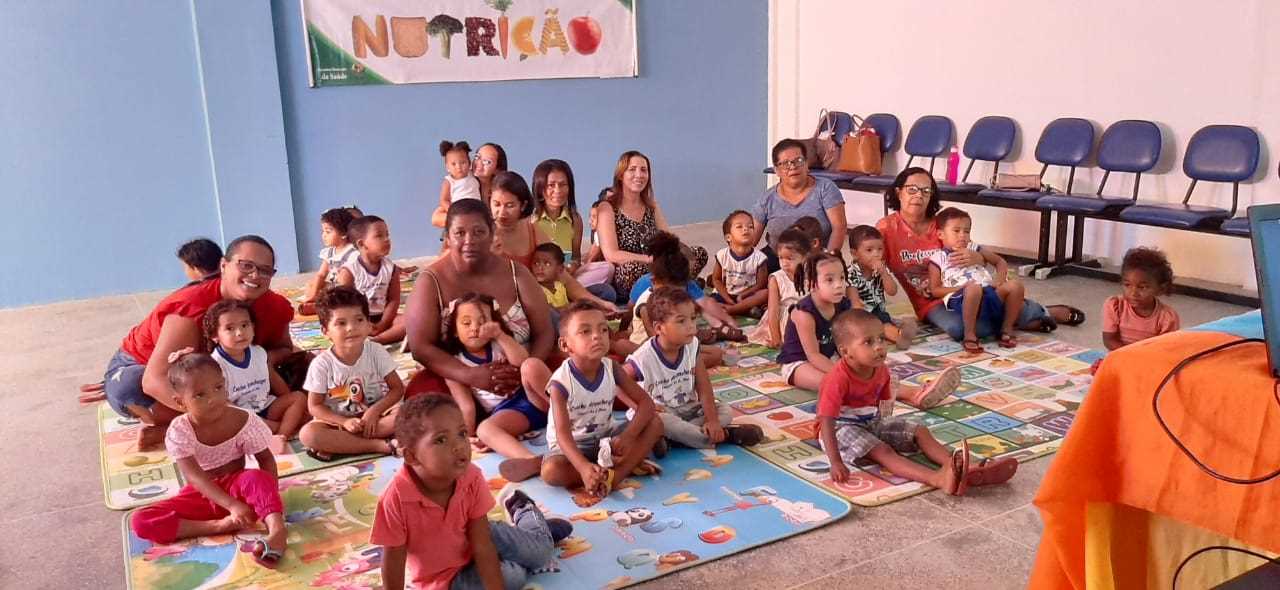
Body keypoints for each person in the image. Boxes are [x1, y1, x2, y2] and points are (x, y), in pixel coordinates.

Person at [104, 235, 295, 450]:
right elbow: (153, 380)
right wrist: (228, 413)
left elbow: (285, 348)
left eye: (265, 270)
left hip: (223, 379)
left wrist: (262, 361)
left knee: (305, 374)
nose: (254, 275)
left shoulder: (275, 306)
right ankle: (217, 424)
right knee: (129, 387)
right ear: (224, 265)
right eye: (246, 266)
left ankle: (177, 428)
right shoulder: (191, 307)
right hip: (146, 368)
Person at [373, 395, 571, 590]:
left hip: (480, 534)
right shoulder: (396, 499)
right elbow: (393, 562)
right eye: (441, 440)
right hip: (446, 578)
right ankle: (524, 541)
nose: (459, 446)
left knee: (542, 554)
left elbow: (482, 545)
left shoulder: (470, 477)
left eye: (461, 433)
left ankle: (523, 511)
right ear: (411, 455)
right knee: (513, 577)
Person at [818, 310, 1020, 496]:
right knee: (883, 451)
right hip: (839, 428)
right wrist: (835, 461)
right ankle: (937, 478)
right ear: (845, 352)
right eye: (868, 342)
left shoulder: (881, 370)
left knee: (919, 431)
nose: (879, 346)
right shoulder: (837, 379)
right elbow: (825, 420)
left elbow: (884, 404)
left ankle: (961, 466)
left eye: (881, 338)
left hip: (871, 422)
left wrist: (889, 429)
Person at [876, 167, 1086, 342]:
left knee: (981, 313)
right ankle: (1026, 315)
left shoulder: (942, 224)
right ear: (898, 192)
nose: (919, 195)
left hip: (970, 292)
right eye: (912, 189)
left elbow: (976, 252)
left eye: (925, 190)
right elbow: (871, 262)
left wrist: (980, 258)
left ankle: (1038, 311)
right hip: (932, 302)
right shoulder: (886, 229)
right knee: (961, 330)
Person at [130, 352, 288, 568]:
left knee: (256, 477)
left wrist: (269, 501)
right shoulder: (180, 430)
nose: (213, 399)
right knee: (140, 521)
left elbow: (266, 461)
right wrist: (230, 506)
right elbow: (195, 477)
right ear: (180, 402)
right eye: (200, 395)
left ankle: (278, 531)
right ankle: (217, 526)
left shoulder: (244, 420)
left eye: (218, 388)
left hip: (238, 489)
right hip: (202, 496)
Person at [403, 199, 556, 402]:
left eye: (478, 232)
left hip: (523, 375)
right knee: (424, 402)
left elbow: (545, 331)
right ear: (447, 237)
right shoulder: (430, 282)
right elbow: (420, 347)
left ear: (492, 232)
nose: (469, 241)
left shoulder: (516, 273)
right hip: (459, 382)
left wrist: (528, 370)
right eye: (459, 233)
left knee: (583, 374)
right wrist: (470, 376)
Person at [530, 302, 665, 497]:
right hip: (573, 448)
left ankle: (615, 475)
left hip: (607, 439)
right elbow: (563, 436)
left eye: (603, 329)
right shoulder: (560, 383)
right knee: (551, 472)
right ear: (565, 344)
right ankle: (615, 467)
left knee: (655, 423)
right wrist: (583, 467)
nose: (597, 336)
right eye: (585, 331)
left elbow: (646, 404)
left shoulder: (612, 368)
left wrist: (628, 437)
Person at [624, 287, 764, 451]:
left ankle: (674, 438)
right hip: (661, 412)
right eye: (681, 321)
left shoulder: (692, 345)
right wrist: (639, 406)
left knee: (724, 410)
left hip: (688, 409)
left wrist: (712, 420)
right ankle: (726, 435)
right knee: (662, 422)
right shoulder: (645, 356)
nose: (691, 326)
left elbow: (703, 386)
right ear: (659, 328)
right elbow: (616, 381)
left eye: (692, 318)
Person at [299, 286, 405, 460]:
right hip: (337, 423)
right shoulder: (321, 364)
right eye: (341, 323)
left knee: (408, 414)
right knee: (308, 435)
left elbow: (397, 389)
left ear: (369, 323)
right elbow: (315, 406)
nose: (351, 328)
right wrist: (344, 422)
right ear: (325, 331)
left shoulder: (376, 351)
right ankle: (378, 445)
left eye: (359, 320)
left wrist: (374, 412)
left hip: (376, 419)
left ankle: (342, 445)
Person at [440, 292, 547, 461]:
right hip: (511, 413)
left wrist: (500, 335)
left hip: (538, 398)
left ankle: (572, 411)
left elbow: (522, 361)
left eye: (482, 322)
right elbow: (466, 405)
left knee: (531, 365)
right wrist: (467, 435)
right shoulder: (455, 364)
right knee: (485, 430)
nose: (474, 328)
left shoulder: (499, 344)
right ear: (454, 330)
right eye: (466, 323)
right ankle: (531, 461)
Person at [595, 150, 709, 300]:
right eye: (632, 169)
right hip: (629, 272)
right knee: (632, 269)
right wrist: (649, 259)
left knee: (699, 253)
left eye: (644, 170)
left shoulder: (652, 206)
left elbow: (670, 240)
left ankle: (671, 288)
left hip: (658, 266)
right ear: (621, 175)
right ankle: (680, 287)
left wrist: (679, 255)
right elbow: (612, 254)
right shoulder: (607, 207)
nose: (639, 175)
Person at [204, 300, 308, 452]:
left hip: (265, 405)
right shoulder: (215, 365)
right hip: (238, 415)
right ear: (215, 335)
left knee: (298, 397)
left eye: (245, 325)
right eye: (230, 328)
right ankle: (279, 428)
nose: (239, 333)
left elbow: (272, 378)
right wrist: (262, 422)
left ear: (253, 327)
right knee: (227, 423)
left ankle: (280, 436)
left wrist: (291, 405)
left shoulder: (258, 352)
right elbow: (223, 404)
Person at [927, 207, 1026, 352]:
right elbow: (935, 290)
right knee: (973, 288)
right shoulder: (937, 258)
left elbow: (1000, 262)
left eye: (966, 231)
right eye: (956, 231)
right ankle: (970, 334)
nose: (962, 236)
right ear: (941, 234)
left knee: (1016, 286)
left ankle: (1006, 329)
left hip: (988, 292)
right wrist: (961, 288)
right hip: (962, 297)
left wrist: (999, 280)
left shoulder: (974, 247)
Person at [629, 231, 740, 350]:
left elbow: (703, 304)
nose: (674, 295)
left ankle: (717, 331)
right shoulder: (646, 305)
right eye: (670, 290)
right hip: (653, 347)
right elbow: (656, 343)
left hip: (676, 342)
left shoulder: (680, 290)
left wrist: (726, 322)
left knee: (715, 353)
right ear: (654, 281)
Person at [751, 140, 848, 270]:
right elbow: (751, 239)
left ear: (807, 164)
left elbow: (839, 227)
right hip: (780, 259)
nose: (793, 167)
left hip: (818, 257)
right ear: (777, 170)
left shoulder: (825, 188)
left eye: (799, 160)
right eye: (785, 163)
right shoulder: (767, 199)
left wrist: (828, 261)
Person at [532, 158, 617, 303]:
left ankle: (571, 297)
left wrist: (573, 266)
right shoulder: (531, 221)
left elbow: (576, 257)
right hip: (542, 283)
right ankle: (570, 300)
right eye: (551, 185)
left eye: (563, 185)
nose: (557, 190)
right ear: (540, 188)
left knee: (608, 285)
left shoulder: (575, 220)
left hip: (568, 278)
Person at [337, 215, 405, 344]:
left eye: (387, 235)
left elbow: (393, 300)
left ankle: (377, 341)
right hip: (356, 317)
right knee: (340, 327)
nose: (386, 240)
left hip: (383, 317)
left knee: (413, 321)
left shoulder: (391, 269)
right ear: (362, 244)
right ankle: (375, 337)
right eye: (379, 236)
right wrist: (364, 322)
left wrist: (383, 324)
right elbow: (345, 304)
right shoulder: (349, 271)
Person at [847, 225, 917, 350]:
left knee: (885, 319)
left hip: (879, 311)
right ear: (854, 254)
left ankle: (898, 332)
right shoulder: (850, 273)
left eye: (880, 249)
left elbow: (892, 291)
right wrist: (869, 320)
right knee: (881, 325)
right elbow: (855, 304)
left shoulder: (880, 269)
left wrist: (884, 273)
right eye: (869, 250)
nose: (876, 254)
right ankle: (899, 337)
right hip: (861, 315)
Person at [1102, 247, 1180, 351]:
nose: (1133, 293)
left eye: (1142, 287)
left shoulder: (1167, 318)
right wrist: (1131, 356)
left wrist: (1139, 359)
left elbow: (1164, 349)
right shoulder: (1115, 306)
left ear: (1160, 289)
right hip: (1120, 358)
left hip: (1149, 361)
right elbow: (1109, 340)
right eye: (1127, 285)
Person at [748, 227, 811, 348]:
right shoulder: (776, 279)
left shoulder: (813, 275)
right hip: (784, 321)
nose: (784, 263)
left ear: (805, 257)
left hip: (807, 318)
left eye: (790, 258)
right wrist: (776, 338)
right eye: (781, 258)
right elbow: (773, 311)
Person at [531, 243, 619, 328]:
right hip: (558, 322)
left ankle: (593, 313)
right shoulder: (536, 289)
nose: (540, 268)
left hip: (571, 311)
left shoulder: (559, 285)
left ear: (560, 269)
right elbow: (552, 312)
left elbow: (572, 296)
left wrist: (600, 304)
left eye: (547, 264)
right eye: (536, 263)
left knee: (607, 291)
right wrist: (578, 307)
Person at [711, 210, 770, 317]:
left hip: (747, 296)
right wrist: (727, 298)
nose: (746, 229)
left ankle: (733, 310)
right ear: (728, 237)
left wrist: (743, 295)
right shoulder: (722, 255)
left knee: (765, 293)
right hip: (726, 294)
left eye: (750, 226)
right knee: (708, 302)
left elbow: (761, 284)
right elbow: (716, 279)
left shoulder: (759, 258)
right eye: (739, 226)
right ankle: (743, 310)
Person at [301, 207, 358, 315]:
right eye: (323, 231)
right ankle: (320, 303)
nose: (323, 235)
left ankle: (320, 307)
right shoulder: (329, 252)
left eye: (328, 231)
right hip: (334, 287)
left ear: (344, 233)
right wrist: (312, 295)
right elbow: (321, 275)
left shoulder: (352, 252)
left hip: (349, 289)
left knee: (344, 296)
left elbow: (348, 282)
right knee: (310, 285)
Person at [431, 140, 482, 228]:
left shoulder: (472, 174)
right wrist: (452, 210)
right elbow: (444, 200)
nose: (459, 167)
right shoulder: (449, 181)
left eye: (463, 163)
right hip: (459, 209)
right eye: (453, 164)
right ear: (447, 167)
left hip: (476, 208)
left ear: (469, 163)